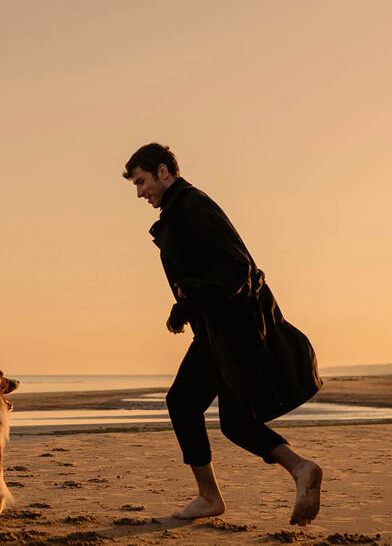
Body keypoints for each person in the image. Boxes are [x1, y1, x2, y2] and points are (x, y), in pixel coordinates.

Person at [123, 143, 323, 525]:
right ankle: (298, 469)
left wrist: (191, 295)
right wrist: (182, 308)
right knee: (228, 419)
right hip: (222, 327)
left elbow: (237, 268)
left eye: (142, 181)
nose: (140, 192)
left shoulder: (192, 207)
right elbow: (207, 271)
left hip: (232, 328)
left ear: (164, 171)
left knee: (183, 401)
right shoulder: (180, 210)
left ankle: (211, 495)